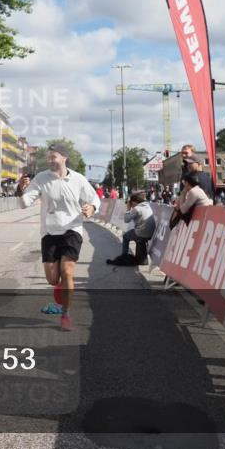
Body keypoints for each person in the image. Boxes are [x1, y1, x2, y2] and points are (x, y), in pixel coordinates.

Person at [19, 142, 100, 332]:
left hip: (72, 229)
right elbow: (24, 203)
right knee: (53, 278)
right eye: (48, 157)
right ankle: (60, 287)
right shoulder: (41, 178)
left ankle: (66, 314)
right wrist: (21, 189)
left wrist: (92, 207)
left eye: (53, 157)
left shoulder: (78, 179)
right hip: (49, 232)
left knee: (67, 271)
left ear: (64, 158)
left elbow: (94, 198)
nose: (50, 160)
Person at [109, 191, 154, 265]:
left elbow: (126, 220)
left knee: (125, 236)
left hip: (141, 233)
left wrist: (128, 209)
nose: (131, 204)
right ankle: (142, 259)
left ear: (134, 202)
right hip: (150, 233)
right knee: (136, 236)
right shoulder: (147, 205)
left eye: (131, 203)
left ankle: (124, 256)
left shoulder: (137, 208)